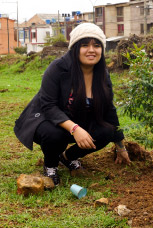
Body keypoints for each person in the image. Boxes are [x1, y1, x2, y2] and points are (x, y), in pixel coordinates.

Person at [14, 22, 130, 187]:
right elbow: (48, 106)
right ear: (75, 48)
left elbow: (109, 110)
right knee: (55, 134)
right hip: (47, 121)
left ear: (102, 49)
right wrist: (75, 129)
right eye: (85, 45)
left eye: (96, 45)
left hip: (80, 121)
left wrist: (120, 146)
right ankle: (51, 165)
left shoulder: (102, 74)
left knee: (107, 130)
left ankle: (67, 158)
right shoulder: (58, 68)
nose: (91, 50)